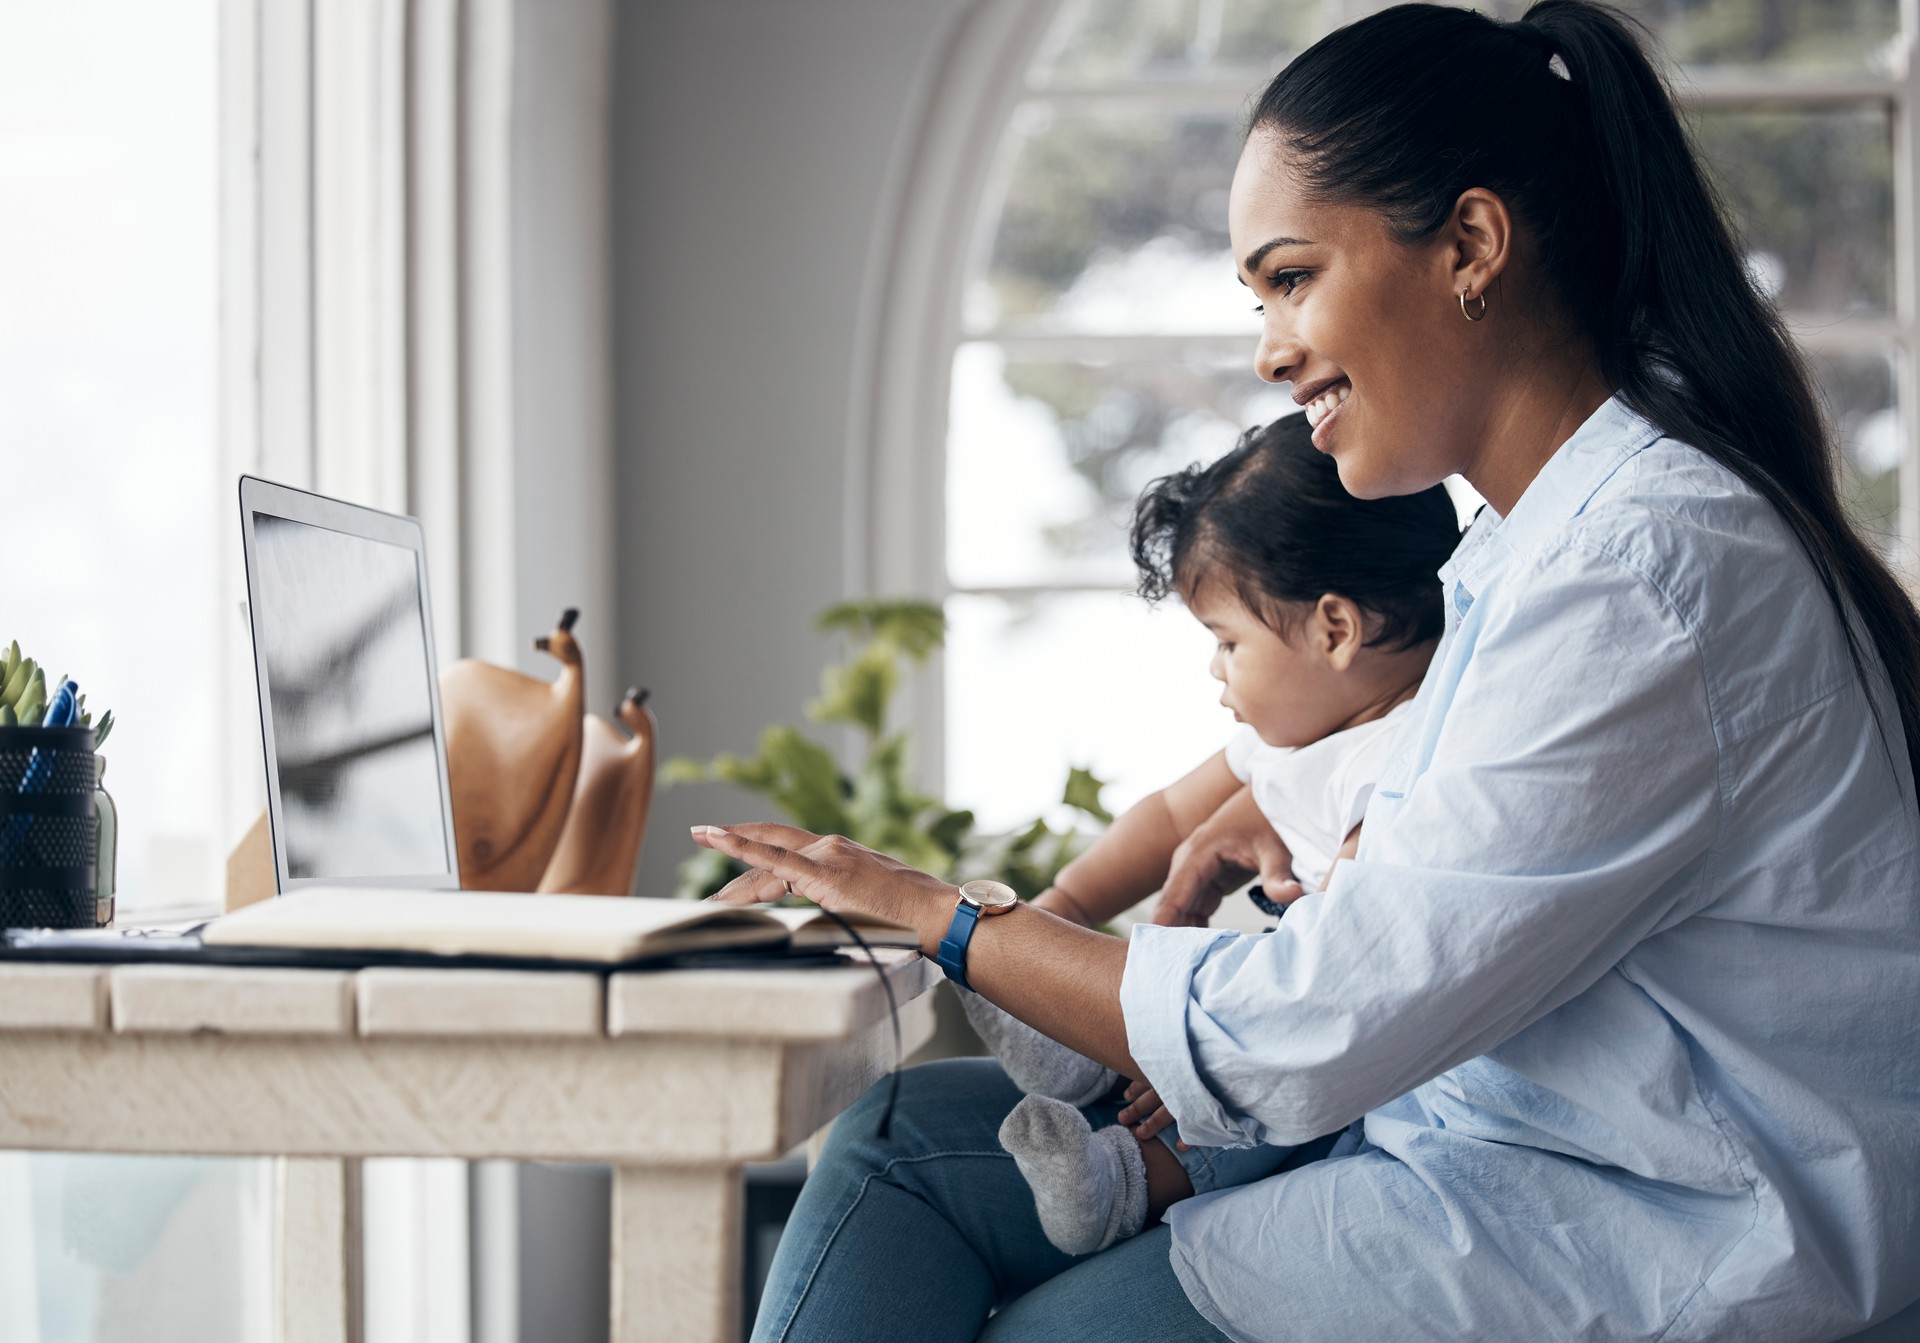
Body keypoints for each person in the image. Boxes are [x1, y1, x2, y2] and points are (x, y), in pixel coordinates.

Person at [697, 2, 1920, 1338]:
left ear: (1470, 245)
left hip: (1633, 1229)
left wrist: (949, 917)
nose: (1270, 349)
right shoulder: (1540, 536)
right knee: (889, 1144)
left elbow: (1303, 1031)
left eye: (1291, 277)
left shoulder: (1640, 568)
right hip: (1472, 1144)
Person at [963, 411, 1460, 1257]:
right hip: (1279, 1006)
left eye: (1228, 641)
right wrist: (1060, 911)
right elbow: (1168, 817)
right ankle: (1071, 1050)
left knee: (1276, 1109)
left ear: (1334, 629)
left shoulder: (1403, 764)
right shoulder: (1296, 730)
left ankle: (1120, 1184)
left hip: (1336, 1047)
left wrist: (1212, 1058)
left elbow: (1331, 981)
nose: (1215, 670)